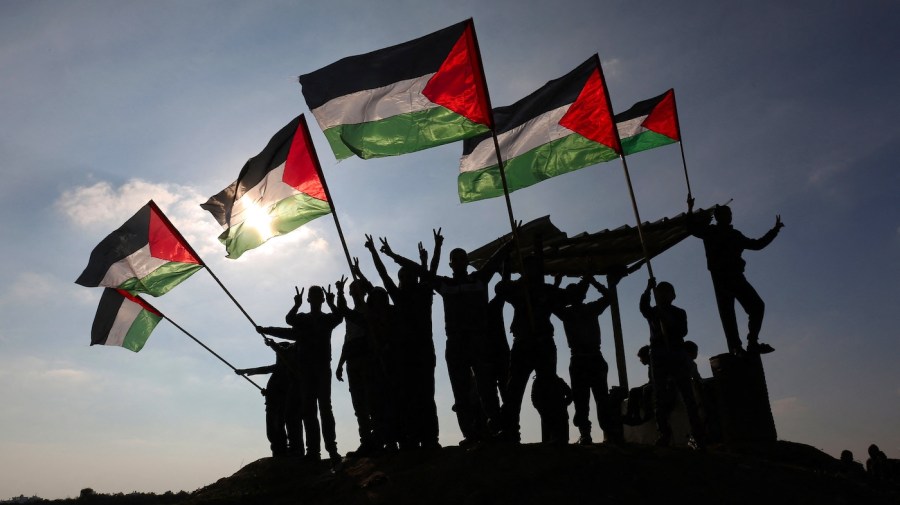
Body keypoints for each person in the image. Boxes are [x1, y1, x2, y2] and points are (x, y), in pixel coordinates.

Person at [380, 230, 512, 446]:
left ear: (467, 262)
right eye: (455, 259)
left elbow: (493, 261)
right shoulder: (445, 285)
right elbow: (419, 269)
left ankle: (494, 429)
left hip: (478, 341)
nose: (459, 262)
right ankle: (470, 434)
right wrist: (393, 256)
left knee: (486, 388)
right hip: (456, 344)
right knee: (460, 392)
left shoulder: (480, 279)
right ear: (451, 264)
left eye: (462, 258)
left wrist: (509, 244)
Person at [364, 234, 440, 450]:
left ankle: (430, 439)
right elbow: (383, 274)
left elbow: (430, 271)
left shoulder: (424, 293)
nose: (406, 279)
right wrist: (374, 253)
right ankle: (412, 438)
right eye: (403, 277)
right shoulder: (399, 297)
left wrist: (436, 249)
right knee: (409, 397)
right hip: (405, 355)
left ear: (415, 278)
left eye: (409, 276)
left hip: (423, 352)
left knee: (426, 396)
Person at [687, 197, 784, 356]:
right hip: (721, 277)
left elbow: (757, 244)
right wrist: (690, 209)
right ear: (719, 217)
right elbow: (691, 228)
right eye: (727, 214)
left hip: (735, 276)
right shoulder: (711, 232)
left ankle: (752, 342)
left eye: (730, 214)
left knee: (756, 306)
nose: (730, 216)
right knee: (728, 316)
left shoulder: (734, 234)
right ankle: (737, 348)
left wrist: (775, 230)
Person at [257, 285, 343, 463]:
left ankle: (332, 449)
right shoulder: (303, 319)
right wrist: (295, 305)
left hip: (321, 368)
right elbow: (289, 323)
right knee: (309, 410)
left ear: (321, 299)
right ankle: (313, 451)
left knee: (325, 408)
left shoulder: (326, 319)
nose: (316, 297)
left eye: (318, 294)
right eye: (313, 295)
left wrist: (332, 303)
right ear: (309, 300)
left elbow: (339, 317)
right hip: (306, 370)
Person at [495, 254, 567, 444]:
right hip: (524, 343)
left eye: (534, 268)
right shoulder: (519, 290)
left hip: (543, 343)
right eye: (528, 269)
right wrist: (519, 281)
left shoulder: (546, 290)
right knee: (514, 390)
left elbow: (568, 297)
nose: (532, 271)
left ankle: (555, 433)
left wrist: (584, 278)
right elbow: (500, 288)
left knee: (549, 389)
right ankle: (510, 431)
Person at [553, 276, 622, 445]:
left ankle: (589, 433)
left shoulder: (569, 312)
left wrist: (557, 284)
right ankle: (595, 433)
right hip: (587, 358)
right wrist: (592, 281)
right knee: (595, 398)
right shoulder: (586, 309)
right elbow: (610, 297)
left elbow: (552, 302)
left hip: (583, 359)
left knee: (587, 399)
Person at [639, 278, 705, 448]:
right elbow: (643, 308)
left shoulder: (679, 312)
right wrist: (647, 289)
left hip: (676, 353)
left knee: (687, 394)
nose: (663, 296)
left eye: (667, 293)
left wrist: (666, 319)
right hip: (659, 355)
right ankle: (664, 434)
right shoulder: (653, 312)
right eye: (660, 293)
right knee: (659, 396)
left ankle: (697, 435)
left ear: (673, 296)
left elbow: (682, 330)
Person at [333, 273, 382, 457]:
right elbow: (347, 339)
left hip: (367, 357)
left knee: (372, 401)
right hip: (352, 358)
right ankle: (366, 441)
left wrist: (360, 273)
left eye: (355, 289)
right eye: (351, 290)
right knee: (358, 403)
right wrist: (340, 363)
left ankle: (378, 439)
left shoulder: (369, 309)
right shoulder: (350, 314)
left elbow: (372, 290)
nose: (353, 292)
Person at [235, 338, 309, 458]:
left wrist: (245, 371)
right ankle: (281, 451)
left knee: (287, 427)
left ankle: (292, 451)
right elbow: (266, 369)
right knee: (275, 429)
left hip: (281, 404)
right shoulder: (281, 368)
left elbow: (265, 369)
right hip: (273, 403)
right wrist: (268, 392)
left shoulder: (290, 370)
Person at [530, 372, 573, 445]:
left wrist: (563, 405)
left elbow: (570, 395)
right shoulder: (539, 382)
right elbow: (534, 398)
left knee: (560, 442)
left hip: (558, 416)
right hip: (548, 416)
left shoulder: (558, 381)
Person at [624, 345, 653, 426]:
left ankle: (632, 416)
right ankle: (633, 416)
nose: (640, 360)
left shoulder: (654, 366)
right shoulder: (651, 366)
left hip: (654, 386)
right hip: (652, 385)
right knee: (633, 391)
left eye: (641, 358)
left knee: (634, 391)